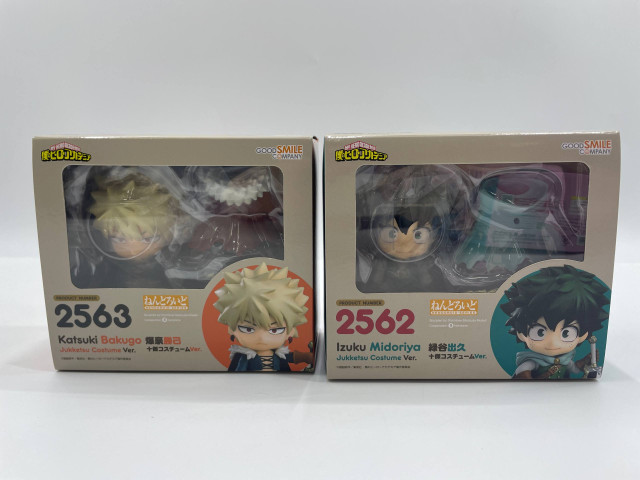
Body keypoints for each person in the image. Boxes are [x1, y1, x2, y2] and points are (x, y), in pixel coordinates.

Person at [502, 265, 609, 379]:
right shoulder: (532, 362)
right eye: (540, 332)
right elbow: (522, 373)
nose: (552, 343)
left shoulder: (565, 360)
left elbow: (574, 369)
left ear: (583, 336)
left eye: (566, 333)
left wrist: (584, 362)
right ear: (521, 334)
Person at [214, 263, 314, 372]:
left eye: (275, 330)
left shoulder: (280, 354)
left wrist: (306, 357)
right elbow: (235, 372)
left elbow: (293, 357)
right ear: (231, 329)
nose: (262, 338)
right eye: (248, 329)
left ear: (291, 332)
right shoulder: (243, 356)